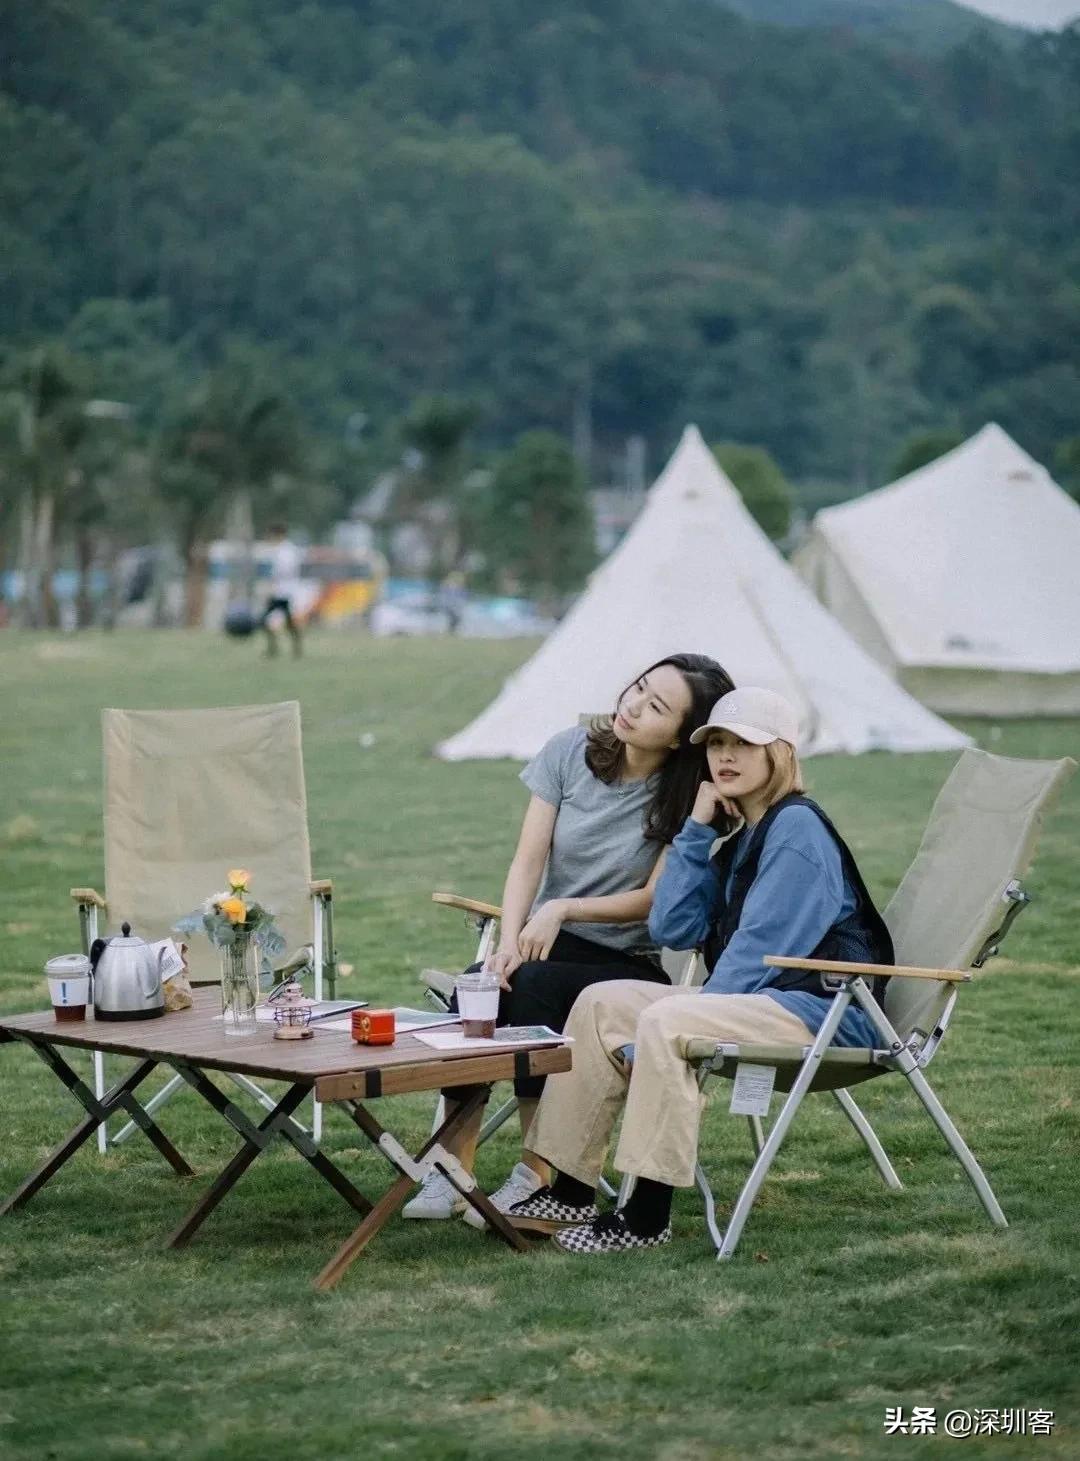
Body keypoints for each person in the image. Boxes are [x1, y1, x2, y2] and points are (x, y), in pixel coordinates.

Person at [507, 686, 894, 1255]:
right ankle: (569, 1189)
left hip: (827, 1011)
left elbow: (763, 949)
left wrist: (689, 1013)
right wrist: (697, 832)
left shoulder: (798, 829)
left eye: (744, 744)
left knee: (668, 1020)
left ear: (780, 753)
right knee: (599, 1002)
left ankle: (646, 1215)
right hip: (762, 1004)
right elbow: (673, 927)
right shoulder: (742, 836)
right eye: (716, 743)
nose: (725, 756)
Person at [403, 652, 735, 1226]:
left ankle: (537, 1174)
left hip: (627, 964)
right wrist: (507, 942)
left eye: (657, 707)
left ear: (683, 737)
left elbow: (653, 900)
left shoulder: (687, 797)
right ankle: (450, 1171)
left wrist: (562, 909)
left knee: (532, 989)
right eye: (638, 687)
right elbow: (527, 859)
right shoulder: (569, 751)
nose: (633, 705)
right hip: (545, 942)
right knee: (480, 992)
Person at [260, 523, 303, 658]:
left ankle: (276, 649)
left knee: (266, 620)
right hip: (282, 592)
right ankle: (290, 648)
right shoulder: (281, 550)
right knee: (287, 623)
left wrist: (272, 585)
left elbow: (285, 571)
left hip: (284, 593)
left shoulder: (287, 551)